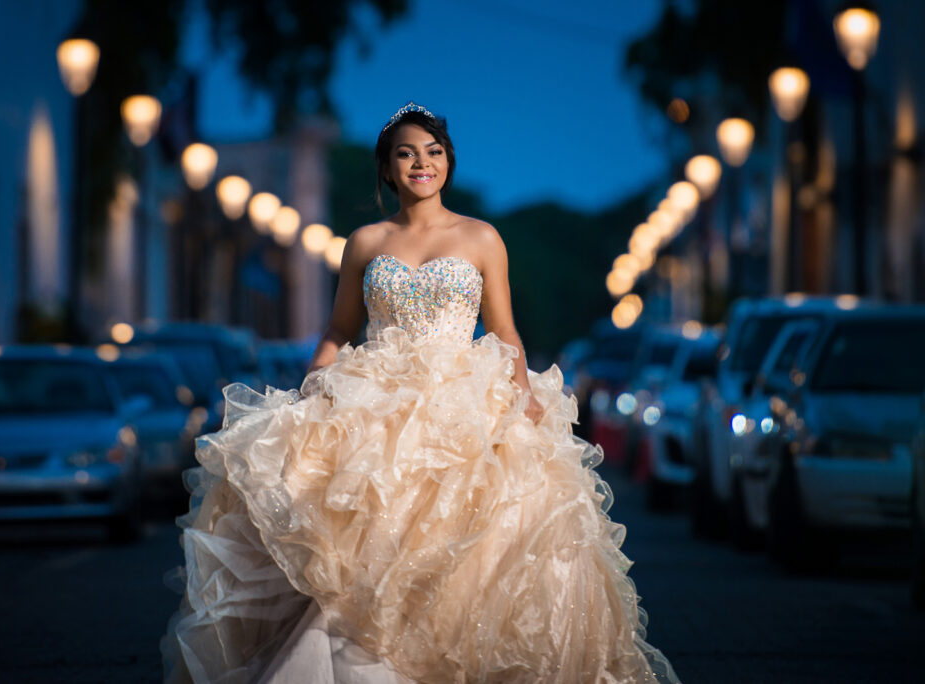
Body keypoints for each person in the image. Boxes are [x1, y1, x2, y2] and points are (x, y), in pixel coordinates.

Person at [162, 102, 680, 683]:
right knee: (362, 543)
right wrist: (316, 388)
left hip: (462, 403)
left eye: (433, 152)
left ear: (448, 163)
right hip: (376, 403)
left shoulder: (482, 237)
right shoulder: (364, 242)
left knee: (468, 545)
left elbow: (505, 331)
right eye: (407, 154)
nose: (421, 163)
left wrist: (523, 395)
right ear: (388, 168)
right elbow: (338, 329)